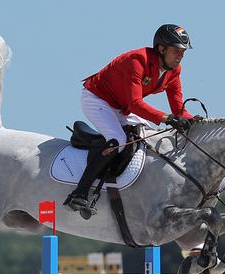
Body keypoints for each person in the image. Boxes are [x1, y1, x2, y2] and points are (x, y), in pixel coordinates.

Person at [64, 24, 201, 213]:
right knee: (118, 139)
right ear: (161, 48)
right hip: (97, 99)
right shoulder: (137, 60)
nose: (181, 55)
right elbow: (136, 103)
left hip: (121, 107)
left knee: (148, 135)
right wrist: (166, 117)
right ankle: (79, 193)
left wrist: (192, 120)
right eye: (176, 50)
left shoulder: (174, 71)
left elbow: (178, 108)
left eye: (183, 51)